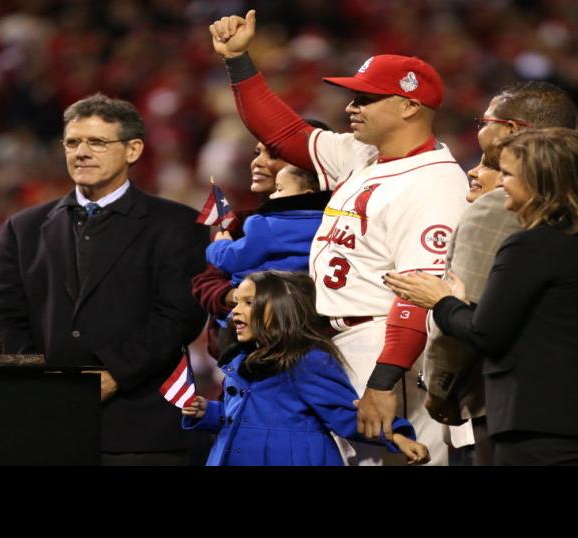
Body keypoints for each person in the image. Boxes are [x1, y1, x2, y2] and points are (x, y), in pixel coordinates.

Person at [209, 10, 467, 465]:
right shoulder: (366, 155)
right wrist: (238, 61)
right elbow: (286, 134)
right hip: (342, 341)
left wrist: (383, 382)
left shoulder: (435, 183)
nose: (351, 107)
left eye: (366, 98)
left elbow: (417, 294)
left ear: (409, 105)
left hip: (388, 346)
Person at [422, 82, 578, 465]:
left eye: (485, 121)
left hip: (530, 405)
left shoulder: (499, 208)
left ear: (510, 130)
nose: (480, 130)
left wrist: (441, 389)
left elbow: (479, 322)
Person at [0, 93, 211, 465]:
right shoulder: (23, 228)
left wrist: (113, 375)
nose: (82, 152)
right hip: (47, 424)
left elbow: (178, 318)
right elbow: (5, 316)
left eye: (97, 142)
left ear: (133, 150)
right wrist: (42, 379)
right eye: (73, 142)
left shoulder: (176, 225)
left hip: (140, 427)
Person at [181, 271, 430, 466]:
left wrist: (395, 436)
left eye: (248, 302)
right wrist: (208, 413)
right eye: (236, 303)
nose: (235, 311)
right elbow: (240, 417)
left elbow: (344, 415)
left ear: (280, 310)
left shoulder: (308, 361)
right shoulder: (240, 361)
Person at [191, 122, 330, 362]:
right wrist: (242, 298)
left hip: (305, 351)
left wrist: (256, 301)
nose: (258, 162)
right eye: (257, 153)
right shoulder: (242, 220)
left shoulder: (338, 223)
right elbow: (204, 284)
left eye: (274, 155)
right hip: (240, 358)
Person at [206, 164, 329, 288]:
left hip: (265, 293)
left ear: (306, 194)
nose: (272, 195)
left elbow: (233, 260)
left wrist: (219, 245)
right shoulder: (330, 223)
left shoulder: (266, 225)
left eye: (279, 189)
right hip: (305, 294)